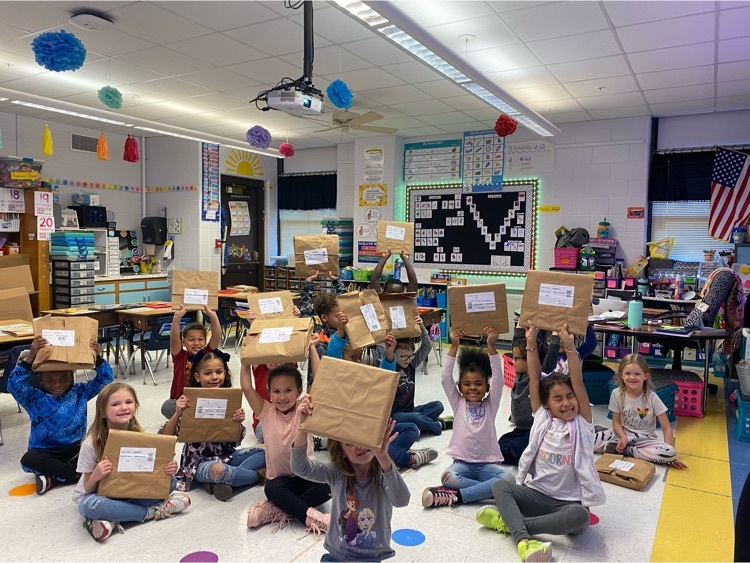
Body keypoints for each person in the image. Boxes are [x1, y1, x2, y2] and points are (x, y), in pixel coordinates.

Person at [476, 323, 605, 563]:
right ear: (546, 404)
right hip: (536, 494)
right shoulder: (543, 417)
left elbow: (577, 381)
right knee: (500, 486)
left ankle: (514, 525)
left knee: (581, 518)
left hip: (567, 503)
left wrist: (569, 345)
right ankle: (520, 530)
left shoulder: (582, 422)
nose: (566, 403)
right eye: (557, 399)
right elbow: (535, 377)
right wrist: (532, 342)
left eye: (569, 397)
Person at [292, 396, 410, 561]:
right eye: (350, 442)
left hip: (372, 558)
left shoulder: (383, 472)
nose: (359, 445)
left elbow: (402, 500)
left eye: (364, 437)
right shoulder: (337, 472)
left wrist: (383, 457)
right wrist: (302, 427)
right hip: (338, 556)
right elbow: (300, 467)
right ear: (340, 450)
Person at [73, 382, 191, 542]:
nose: (123, 407)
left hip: (130, 490)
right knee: (89, 506)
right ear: (103, 412)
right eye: (115, 404)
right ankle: (152, 512)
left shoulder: (138, 436)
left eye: (128, 402)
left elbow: (149, 471)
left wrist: (167, 468)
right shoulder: (91, 443)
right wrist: (96, 475)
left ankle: (113, 518)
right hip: (99, 495)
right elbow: (87, 488)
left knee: (170, 482)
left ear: (136, 406)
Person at [327, 311, 438, 470]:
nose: (358, 361)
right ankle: (406, 459)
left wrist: (390, 354)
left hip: (371, 430)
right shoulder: (340, 375)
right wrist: (340, 331)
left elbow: (385, 377)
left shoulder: (365, 375)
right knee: (367, 444)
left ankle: (383, 458)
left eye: (360, 357)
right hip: (351, 435)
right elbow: (332, 354)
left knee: (411, 429)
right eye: (353, 358)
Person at [8, 336, 113, 495]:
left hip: (76, 448)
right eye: (50, 380)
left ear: (72, 376)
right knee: (28, 459)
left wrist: (96, 357)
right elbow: (13, 384)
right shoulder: (32, 397)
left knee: (101, 451)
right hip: (45, 451)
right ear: (40, 380)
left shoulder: (80, 391)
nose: (57, 385)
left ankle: (53, 478)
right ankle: (78, 475)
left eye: (64, 378)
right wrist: (30, 358)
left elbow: (106, 378)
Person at [159, 349, 265, 501]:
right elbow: (166, 438)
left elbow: (236, 441)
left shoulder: (229, 400)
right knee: (219, 471)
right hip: (198, 463)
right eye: (208, 373)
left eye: (219, 372)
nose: (214, 377)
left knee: (267, 453)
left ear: (225, 373)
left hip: (226, 456)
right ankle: (258, 476)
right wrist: (177, 413)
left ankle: (222, 481)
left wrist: (238, 422)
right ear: (197, 376)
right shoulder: (189, 402)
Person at [241, 363, 331, 532]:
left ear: (299, 391)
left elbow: (321, 379)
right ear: (269, 393)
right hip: (281, 480)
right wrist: (245, 361)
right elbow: (246, 387)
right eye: (276, 391)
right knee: (271, 488)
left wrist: (312, 347)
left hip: (307, 475)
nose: (282, 397)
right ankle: (312, 518)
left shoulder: (305, 408)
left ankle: (278, 509)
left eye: (288, 390)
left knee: (327, 486)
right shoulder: (266, 411)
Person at [422, 326, 505, 508]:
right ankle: (493, 492)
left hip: (487, 465)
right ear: (459, 387)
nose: (473, 388)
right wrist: (453, 346)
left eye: (478, 384)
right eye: (467, 384)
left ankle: (458, 496)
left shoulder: (490, 405)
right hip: (461, 465)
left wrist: (491, 346)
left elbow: (499, 379)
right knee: (448, 477)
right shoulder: (458, 403)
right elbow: (445, 378)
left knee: (509, 479)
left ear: (487, 387)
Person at [594, 353, 686, 468]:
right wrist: (623, 437)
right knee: (588, 443)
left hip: (645, 440)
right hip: (622, 433)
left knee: (670, 452)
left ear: (645, 376)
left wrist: (669, 457)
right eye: (627, 373)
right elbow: (616, 421)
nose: (632, 377)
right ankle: (601, 432)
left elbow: (666, 428)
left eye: (637, 374)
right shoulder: (616, 393)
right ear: (621, 375)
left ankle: (629, 451)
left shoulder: (652, 397)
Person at [161, 304, 221, 419]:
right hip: (181, 403)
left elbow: (216, 336)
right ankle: (189, 417)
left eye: (200, 339)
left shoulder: (207, 355)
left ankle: (191, 418)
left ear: (205, 341)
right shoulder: (180, 357)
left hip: (204, 402)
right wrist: (177, 318)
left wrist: (212, 316)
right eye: (191, 340)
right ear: (183, 342)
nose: (196, 343)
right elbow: (174, 339)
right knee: (167, 406)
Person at [498, 327, 547, 466]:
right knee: (500, 446)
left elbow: (534, 364)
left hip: (532, 432)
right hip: (519, 430)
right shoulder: (518, 374)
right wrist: (520, 327)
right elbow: (517, 343)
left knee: (513, 449)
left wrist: (531, 343)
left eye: (516, 358)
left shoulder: (534, 378)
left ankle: (535, 454)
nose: (513, 361)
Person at [391, 315, 445, 436]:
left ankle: (422, 424)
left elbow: (427, 346)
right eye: (403, 356)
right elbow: (383, 350)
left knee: (438, 406)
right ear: (393, 355)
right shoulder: (390, 365)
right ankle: (437, 425)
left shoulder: (412, 364)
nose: (407, 360)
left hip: (410, 409)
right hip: (395, 414)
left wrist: (422, 328)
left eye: (410, 356)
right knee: (416, 418)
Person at [299, 272, 347, 389]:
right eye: (337, 316)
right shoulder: (317, 332)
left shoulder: (347, 332)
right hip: (317, 384)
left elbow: (347, 303)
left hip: (342, 383)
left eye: (343, 315)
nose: (341, 318)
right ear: (324, 317)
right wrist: (308, 284)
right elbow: (306, 313)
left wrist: (336, 281)